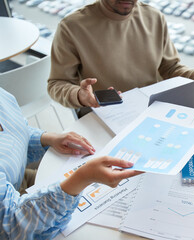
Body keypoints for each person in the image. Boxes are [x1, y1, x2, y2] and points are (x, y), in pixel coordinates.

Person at [0, 87, 140, 239]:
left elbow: (14, 130)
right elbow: (15, 227)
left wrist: (47, 138)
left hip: (17, 187)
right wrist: (83, 178)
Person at [47, 0, 194, 109]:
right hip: (106, 112)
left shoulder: (154, 17)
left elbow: (170, 67)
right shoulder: (72, 27)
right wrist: (80, 96)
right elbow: (57, 83)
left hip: (152, 107)